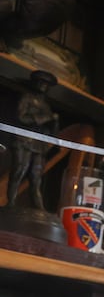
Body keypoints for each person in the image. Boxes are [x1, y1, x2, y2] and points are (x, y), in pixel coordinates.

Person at [6, 69, 58, 209]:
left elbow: (50, 132)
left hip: (38, 144)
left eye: (46, 84)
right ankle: (11, 204)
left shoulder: (46, 106)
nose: (43, 86)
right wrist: (44, 118)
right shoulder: (27, 98)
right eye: (41, 82)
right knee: (19, 171)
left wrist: (54, 122)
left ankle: (40, 209)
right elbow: (21, 118)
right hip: (23, 140)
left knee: (36, 178)